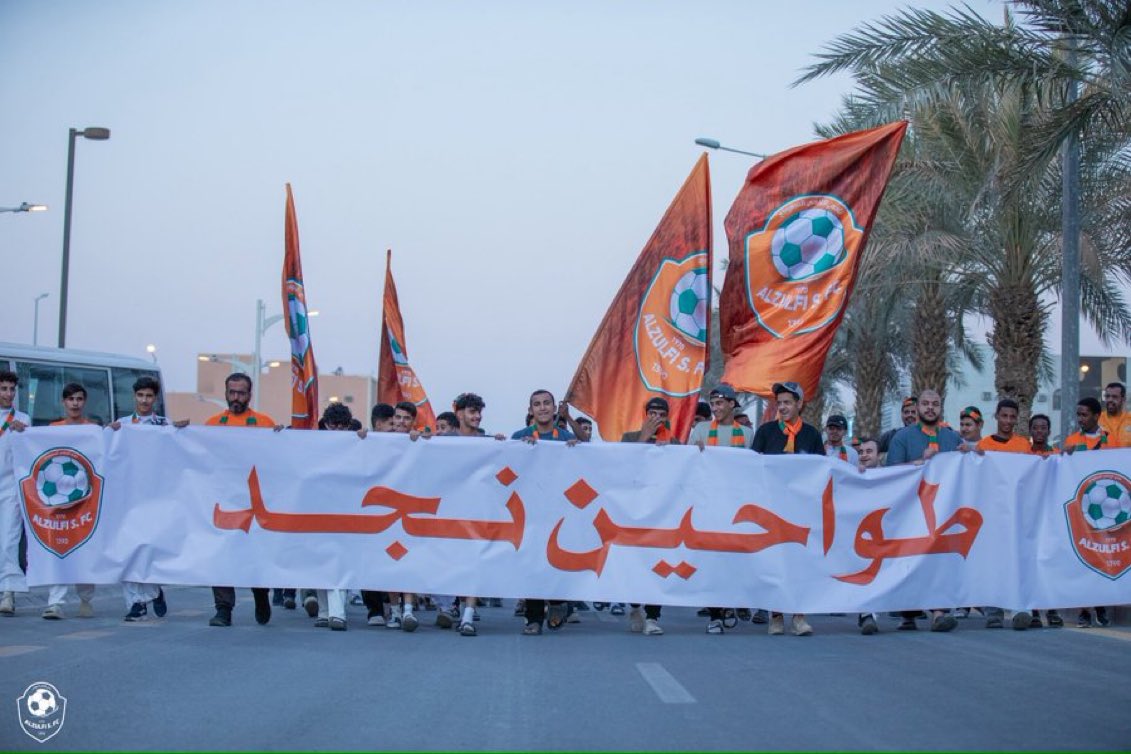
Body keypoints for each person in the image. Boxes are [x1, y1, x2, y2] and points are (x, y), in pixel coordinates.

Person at [110, 376, 187, 621]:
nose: (144, 400)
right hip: (127, 497)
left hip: (155, 498)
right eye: (140, 395)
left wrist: (183, 431)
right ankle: (136, 603)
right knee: (126, 550)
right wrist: (105, 433)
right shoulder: (121, 425)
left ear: (155, 399)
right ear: (134, 397)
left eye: (149, 396)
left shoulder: (164, 425)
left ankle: (154, 590)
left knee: (150, 549)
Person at [204, 373, 279, 627]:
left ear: (250, 394)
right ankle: (223, 609)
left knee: (255, 553)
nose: (236, 397)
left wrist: (283, 437)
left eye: (241, 393)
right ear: (226, 393)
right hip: (225, 500)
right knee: (222, 554)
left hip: (255, 501)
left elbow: (279, 458)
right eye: (232, 392)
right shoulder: (213, 423)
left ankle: (261, 594)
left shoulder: (265, 423)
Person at [885, 389, 962, 633]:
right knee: (909, 562)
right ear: (917, 408)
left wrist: (974, 455)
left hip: (943, 511)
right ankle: (907, 613)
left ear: (941, 407)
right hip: (911, 511)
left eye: (935, 404)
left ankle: (938, 612)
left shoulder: (952, 438)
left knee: (938, 561)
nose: (930, 408)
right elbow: (892, 473)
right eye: (926, 404)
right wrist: (919, 461)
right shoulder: (902, 437)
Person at [750, 381, 823, 636]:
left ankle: (799, 616)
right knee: (775, 562)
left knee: (799, 563)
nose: (782, 407)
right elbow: (752, 466)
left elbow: (821, 469)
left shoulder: (812, 435)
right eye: (779, 403)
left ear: (799, 404)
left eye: (787, 403)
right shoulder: (766, 432)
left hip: (801, 511)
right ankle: (776, 616)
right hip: (772, 509)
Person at [689, 384, 754, 634]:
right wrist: (696, 454)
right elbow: (687, 462)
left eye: (719, 403)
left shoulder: (747, 434)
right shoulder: (701, 430)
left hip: (735, 506)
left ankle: (728, 605)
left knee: (732, 560)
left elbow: (753, 468)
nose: (715, 408)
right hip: (708, 504)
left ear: (731, 404)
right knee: (710, 560)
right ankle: (715, 615)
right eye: (712, 404)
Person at [512, 390, 577, 635]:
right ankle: (534, 618)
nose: (542, 408)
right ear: (531, 410)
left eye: (546, 403)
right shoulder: (520, 437)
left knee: (558, 561)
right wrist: (517, 450)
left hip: (560, 510)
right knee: (533, 565)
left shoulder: (566, 438)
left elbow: (582, 467)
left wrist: (577, 451)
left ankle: (559, 604)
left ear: (553, 408)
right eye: (537, 404)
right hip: (530, 512)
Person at [970, 399, 1033, 630]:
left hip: (1016, 512)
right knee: (994, 561)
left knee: (1018, 559)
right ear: (996, 417)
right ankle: (993, 611)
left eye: (1012, 417)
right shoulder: (983, 445)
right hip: (992, 513)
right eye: (1003, 416)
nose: (1007, 421)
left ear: (1017, 419)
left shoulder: (1024, 445)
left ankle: (1020, 609)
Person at [619, 396, 678, 637]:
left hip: (662, 513)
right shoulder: (630, 438)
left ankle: (653, 617)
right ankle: (634, 607)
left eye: (661, 414)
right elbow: (623, 467)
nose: (656, 417)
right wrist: (645, 438)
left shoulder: (674, 443)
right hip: (634, 512)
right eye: (651, 413)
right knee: (636, 564)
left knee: (659, 564)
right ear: (645, 414)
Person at [42, 383, 100, 619]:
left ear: (84, 402)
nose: (75, 403)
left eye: (79, 399)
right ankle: (55, 602)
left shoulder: (94, 430)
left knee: (84, 548)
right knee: (58, 548)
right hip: (57, 499)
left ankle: (86, 599)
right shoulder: (51, 429)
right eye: (70, 399)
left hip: (85, 498)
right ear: (63, 402)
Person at [1064, 397, 1113, 629]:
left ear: (1096, 416)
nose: (1080, 419)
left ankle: (1101, 606)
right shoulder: (1072, 441)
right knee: (1082, 559)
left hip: (1107, 512)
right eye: (1078, 415)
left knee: (1103, 559)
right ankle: (1084, 611)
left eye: (1084, 414)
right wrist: (1065, 455)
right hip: (1082, 509)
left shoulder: (1112, 440)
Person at [312, 402, 357, 631]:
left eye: (342, 426)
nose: (337, 431)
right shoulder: (313, 445)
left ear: (348, 426)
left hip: (346, 512)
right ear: (325, 424)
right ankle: (324, 611)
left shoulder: (358, 444)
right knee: (322, 560)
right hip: (319, 510)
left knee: (339, 560)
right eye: (333, 426)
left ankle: (337, 613)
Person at [1026, 414, 1062, 628]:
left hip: (1050, 517)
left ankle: (1053, 609)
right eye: (1036, 428)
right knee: (1032, 564)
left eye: (1043, 428)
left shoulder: (1056, 454)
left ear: (1049, 431)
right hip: (1029, 517)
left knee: (1051, 564)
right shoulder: (1022, 455)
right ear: (1030, 431)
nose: (1039, 431)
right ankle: (1034, 611)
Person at [0, 370, 31, 617]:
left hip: (11, 488)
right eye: (3, 389)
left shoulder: (22, 419)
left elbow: (32, 452)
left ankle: (8, 593)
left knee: (8, 540)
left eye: (11, 389)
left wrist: (24, 433)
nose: (8, 394)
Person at [1098, 382, 1129, 448]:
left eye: (1114, 397)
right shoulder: (1095, 421)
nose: (1110, 400)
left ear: (1123, 399)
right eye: (1107, 396)